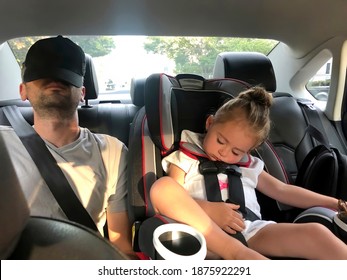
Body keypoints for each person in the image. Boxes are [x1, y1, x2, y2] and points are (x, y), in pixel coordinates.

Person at [150, 86, 347, 260]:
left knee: (316, 233)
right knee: (163, 187)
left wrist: (334, 203)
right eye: (220, 141)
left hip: (250, 230)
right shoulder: (185, 158)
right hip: (202, 231)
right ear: (209, 124)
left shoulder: (249, 165)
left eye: (236, 152)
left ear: (249, 150)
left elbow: (283, 191)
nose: (224, 153)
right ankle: (235, 253)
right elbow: (172, 199)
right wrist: (207, 210)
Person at [0, 36, 136, 258]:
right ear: (22, 91)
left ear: (82, 94)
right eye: (42, 75)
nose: (54, 80)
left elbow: (120, 244)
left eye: (65, 77)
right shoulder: (2, 145)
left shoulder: (112, 151)